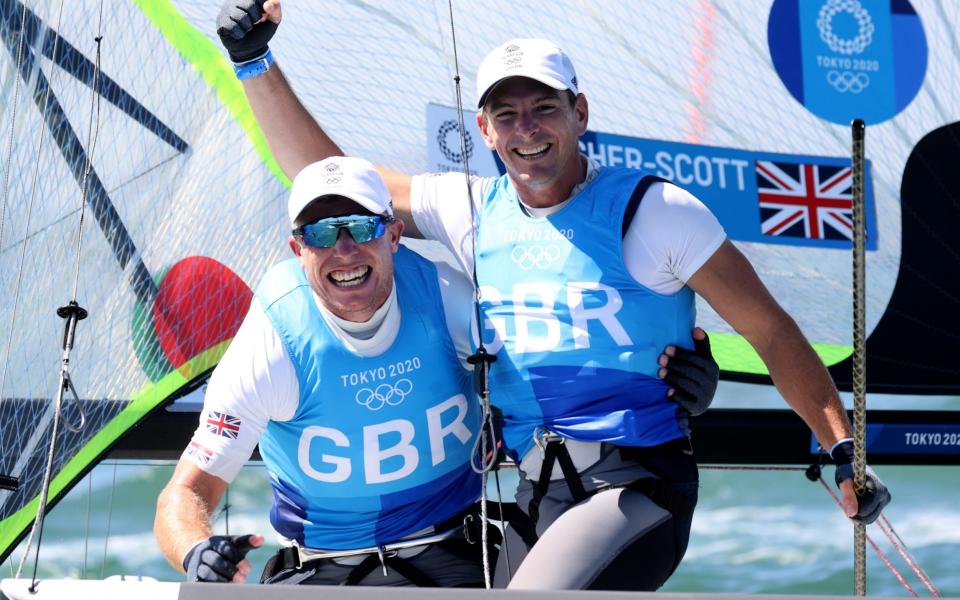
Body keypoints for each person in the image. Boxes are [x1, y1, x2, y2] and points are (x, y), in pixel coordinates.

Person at [213, 1, 887, 591]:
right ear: (483, 130)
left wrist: (842, 452)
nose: (527, 130)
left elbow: (772, 332)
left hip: (635, 488)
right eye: (506, 115)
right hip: (534, 498)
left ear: (579, 112)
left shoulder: (657, 213)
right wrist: (253, 60)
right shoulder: (469, 209)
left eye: (544, 108)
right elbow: (330, 180)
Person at [155, 156, 491, 586]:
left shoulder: (449, 298)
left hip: (454, 550)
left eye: (361, 226)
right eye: (321, 234)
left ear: (394, 234)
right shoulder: (274, 339)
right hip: (324, 568)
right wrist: (197, 550)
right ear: (298, 250)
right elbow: (184, 494)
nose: (344, 251)